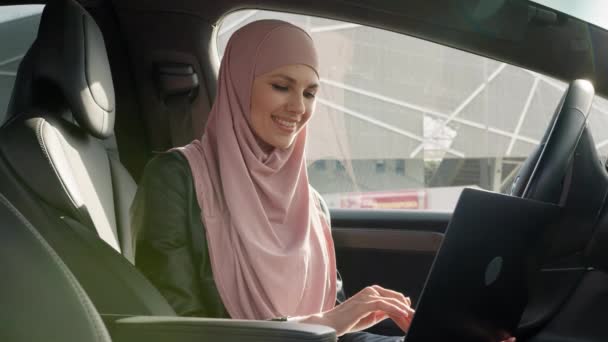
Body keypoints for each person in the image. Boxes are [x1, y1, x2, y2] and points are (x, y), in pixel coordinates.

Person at [131, 19, 514, 342]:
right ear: (239, 84)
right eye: (281, 86)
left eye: (310, 93)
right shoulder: (175, 179)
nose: (298, 108)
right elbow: (174, 330)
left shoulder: (311, 203)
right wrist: (323, 324)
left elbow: (336, 333)